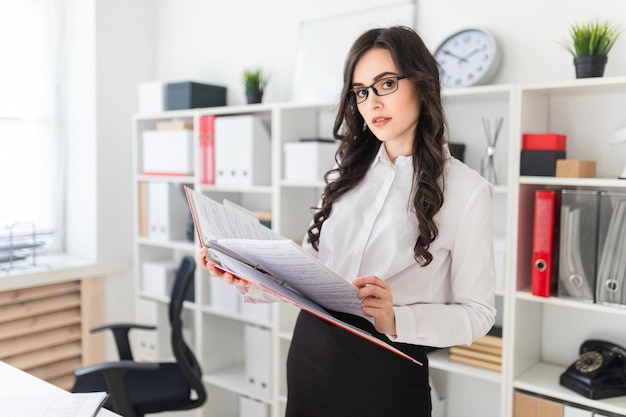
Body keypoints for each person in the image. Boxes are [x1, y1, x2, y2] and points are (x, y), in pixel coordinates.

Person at [197, 25, 496, 417]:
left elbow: (478, 313)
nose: (372, 102)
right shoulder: (347, 169)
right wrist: (249, 276)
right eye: (361, 92)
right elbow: (310, 271)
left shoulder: (467, 190)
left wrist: (396, 318)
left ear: (422, 85)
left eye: (386, 83)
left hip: (385, 375)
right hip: (310, 358)